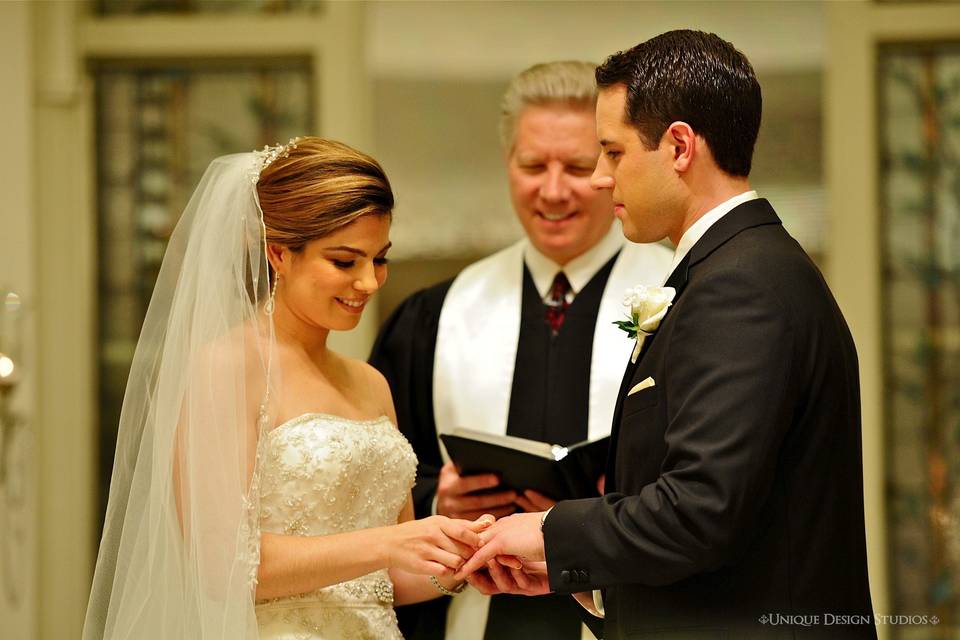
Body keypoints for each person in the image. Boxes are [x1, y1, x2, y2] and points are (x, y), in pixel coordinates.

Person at [459, 30, 877, 639]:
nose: (600, 178)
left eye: (613, 152)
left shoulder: (741, 286)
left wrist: (550, 532)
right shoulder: (738, 267)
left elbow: (702, 507)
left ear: (679, 146)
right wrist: (579, 573)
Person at [83, 137, 493, 640]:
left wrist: (466, 560)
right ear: (279, 253)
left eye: (379, 259)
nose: (369, 282)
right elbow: (219, 567)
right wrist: (389, 542)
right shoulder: (226, 367)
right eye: (345, 261)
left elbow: (387, 579)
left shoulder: (371, 382)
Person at [369, 61, 672, 640]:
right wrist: (439, 499)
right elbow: (373, 483)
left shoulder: (679, 299)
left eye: (579, 166)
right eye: (533, 165)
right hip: (471, 616)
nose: (552, 190)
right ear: (507, 164)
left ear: (611, 166)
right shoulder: (433, 316)